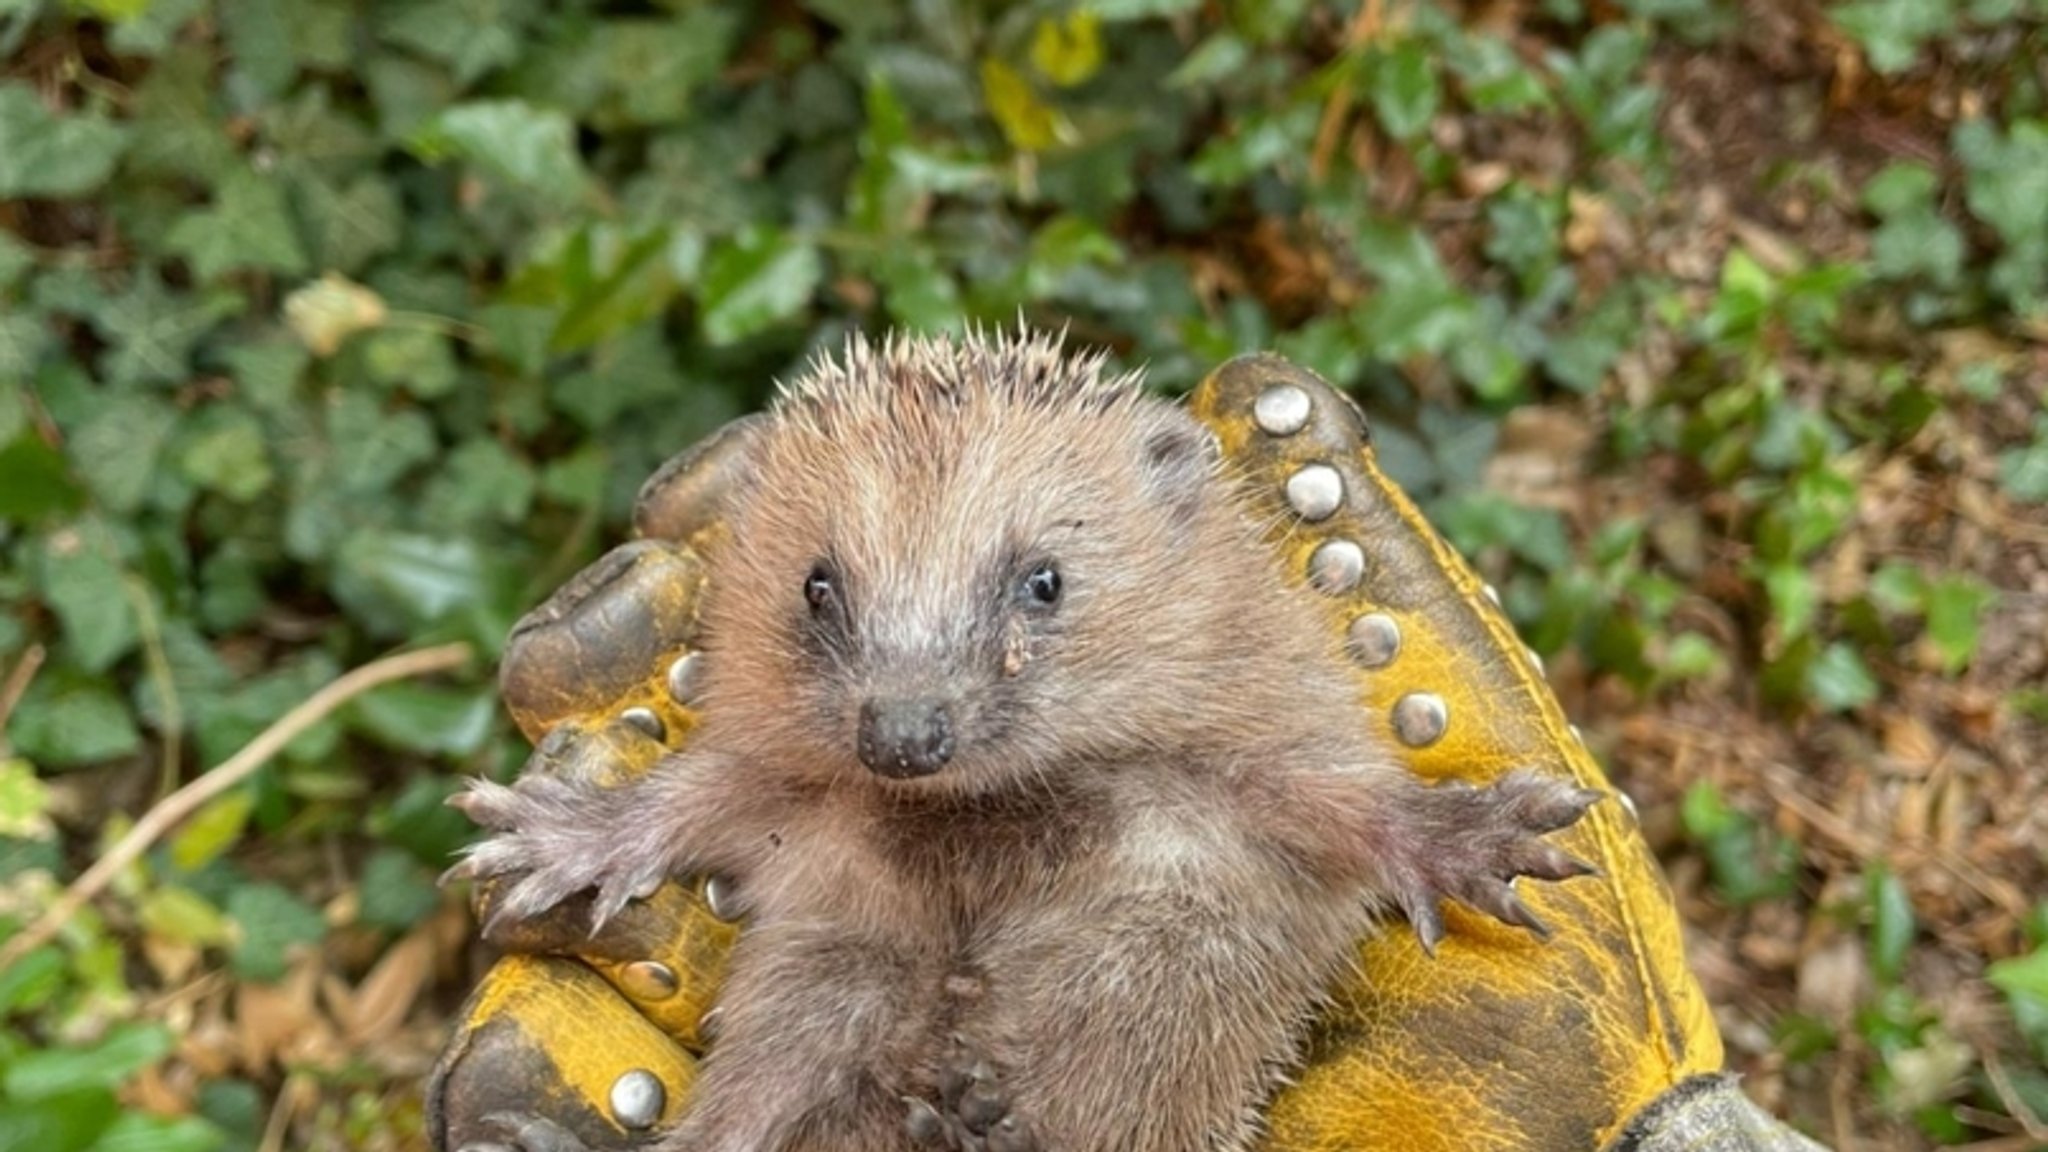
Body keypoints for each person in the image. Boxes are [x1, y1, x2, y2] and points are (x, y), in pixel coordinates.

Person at [426, 353, 1828, 1152]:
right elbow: (742, 785)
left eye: (1032, 596)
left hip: (1129, 1018)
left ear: (1169, 524)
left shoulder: (1215, 651)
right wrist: (611, 834)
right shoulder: (818, 737)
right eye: (831, 606)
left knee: (1202, 880)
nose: (902, 716)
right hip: (866, 965)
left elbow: (1289, 786)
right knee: (795, 1016)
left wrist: (1419, 831)